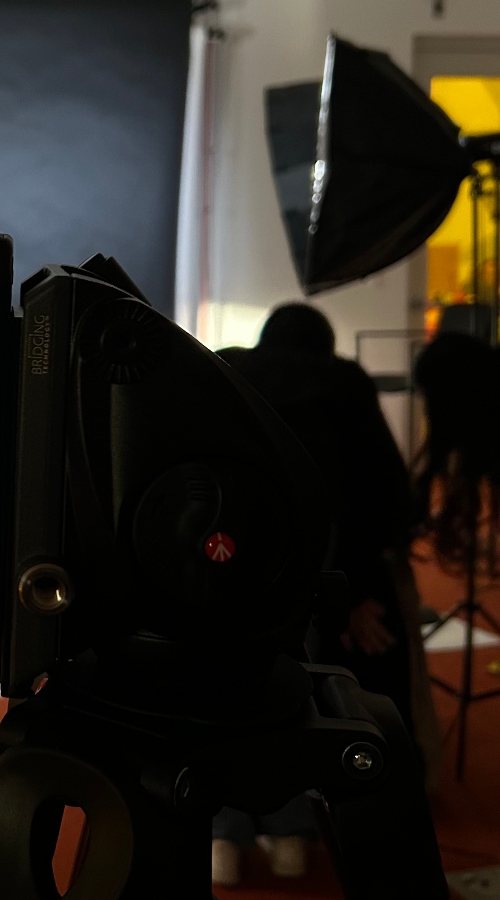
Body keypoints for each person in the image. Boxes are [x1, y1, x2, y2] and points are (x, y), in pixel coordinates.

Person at [210, 303, 424, 886]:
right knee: (296, 689)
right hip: (312, 563)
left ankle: (223, 839)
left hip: (221, 556)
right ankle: (292, 836)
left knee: (221, 685)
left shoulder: (226, 368)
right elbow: (376, 488)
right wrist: (353, 593)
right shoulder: (341, 380)